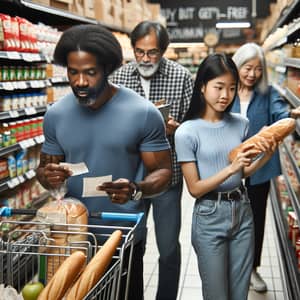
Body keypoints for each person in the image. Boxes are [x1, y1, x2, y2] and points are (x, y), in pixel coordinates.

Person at [36, 24, 172, 300]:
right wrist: (46, 175)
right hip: (68, 236)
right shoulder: (55, 115)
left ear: (107, 69)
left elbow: (163, 173)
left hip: (121, 237)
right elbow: (44, 169)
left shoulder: (143, 113)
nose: (80, 82)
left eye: (90, 72)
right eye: (73, 72)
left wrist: (136, 188)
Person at [174, 53, 277, 300]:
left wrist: (265, 156)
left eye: (232, 88)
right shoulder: (186, 132)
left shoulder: (241, 123)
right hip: (209, 217)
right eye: (218, 87)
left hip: (242, 212)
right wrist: (230, 169)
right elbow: (195, 189)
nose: (225, 95)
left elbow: (243, 172)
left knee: (239, 293)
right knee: (217, 294)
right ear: (202, 86)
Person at [111, 21, 194, 300]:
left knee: (169, 247)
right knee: (132, 244)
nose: (145, 59)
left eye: (153, 53)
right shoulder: (119, 78)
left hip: (167, 179)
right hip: (130, 176)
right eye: (140, 52)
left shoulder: (182, 77)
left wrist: (177, 128)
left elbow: (195, 127)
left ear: (164, 50)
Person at [231, 42, 300, 293]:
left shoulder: (268, 92)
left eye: (258, 69)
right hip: (228, 167)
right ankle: (231, 266)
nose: (252, 74)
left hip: (258, 169)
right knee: (229, 218)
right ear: (237, 66)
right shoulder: (226, 89)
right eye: (247, 68)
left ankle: (252, 269)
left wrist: (287, 118)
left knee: (256, 219)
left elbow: (281, 115)